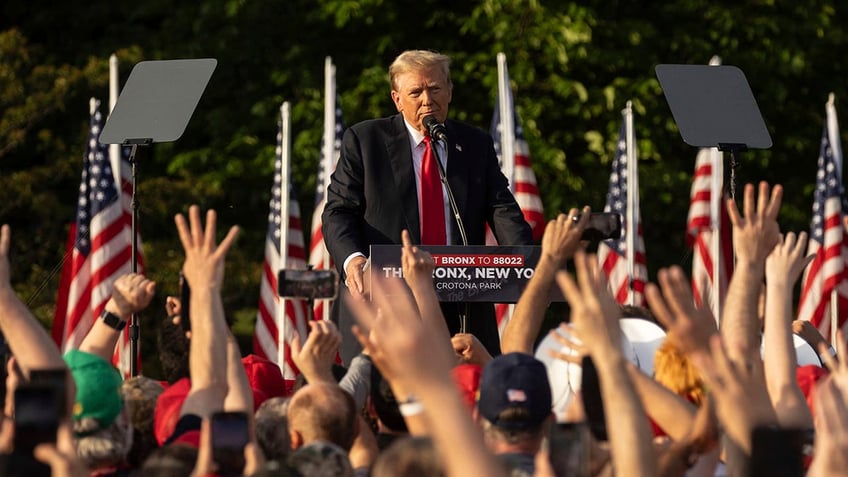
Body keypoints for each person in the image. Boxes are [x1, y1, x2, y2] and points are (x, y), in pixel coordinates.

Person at [322, 49, 533, 363]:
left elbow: (501, 208)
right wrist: (353, 260)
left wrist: (527, 262)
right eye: (415, 92)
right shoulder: (366, 141)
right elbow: (338, 212)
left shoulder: (474, 144)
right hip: (386, 299)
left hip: (462, 303)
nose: (427, 100)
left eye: (435, 89)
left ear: (449, 92)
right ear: (397, 99)